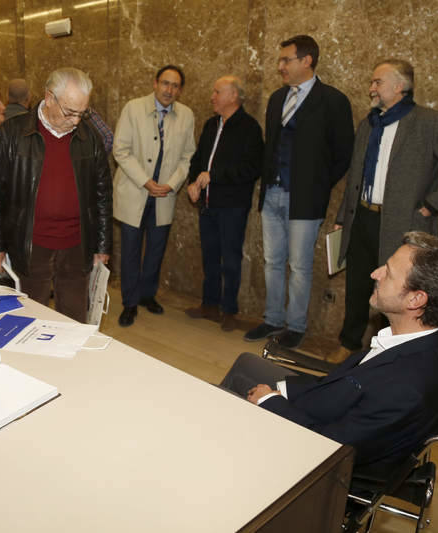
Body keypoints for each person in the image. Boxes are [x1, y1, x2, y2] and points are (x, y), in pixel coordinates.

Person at [221, 231, 438, 473]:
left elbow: (330, 448)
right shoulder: (421, 342)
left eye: (388, 273)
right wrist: (285, 392)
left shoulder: (407, 388)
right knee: (246, 363)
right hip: (335, 407)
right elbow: (347, 384)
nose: (375, 274)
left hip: (318, 458)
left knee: (222, 396)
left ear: (415, 300)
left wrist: (271, 402)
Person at [331, 59, 438, 362]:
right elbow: (356, 174)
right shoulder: (369, 124)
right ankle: (349, 344)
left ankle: (387, 355)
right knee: (357, 286)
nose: (371, 88)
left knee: (396, 292)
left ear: (399, 86)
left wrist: (433, 204)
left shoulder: (428, 122)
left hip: (402, 224)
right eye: (372, 82)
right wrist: (343, 217)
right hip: (362, 218)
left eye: (377, 82)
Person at [244, 35, 354, 348]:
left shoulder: (333, 101)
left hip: (305, 199)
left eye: (286, 60)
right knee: (272, 261)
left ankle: (295, 326)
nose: (280, 66)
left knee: (300, 266)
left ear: (307, 61)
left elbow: (343, 153)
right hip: (272, 194)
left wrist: (317, 183)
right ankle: (272, 319)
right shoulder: (278, 98)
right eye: (280, 60)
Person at [0, 67, 112, 323]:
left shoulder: (90, 137)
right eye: (70, 112)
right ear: (49, 97)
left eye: (82, 113)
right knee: (30, 318)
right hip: (30, 243)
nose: (76, 121)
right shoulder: (12, 133)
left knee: (74, 319)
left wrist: (102, 245)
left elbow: (103, 195)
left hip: (77, 244)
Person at [112, 64, 196, 327]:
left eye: (175, 86)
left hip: (164, 195)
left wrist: (171, 184)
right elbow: (121, 150)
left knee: (156, 250)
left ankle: (147, 295)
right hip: (135, 191)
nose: (169, 90)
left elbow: (188, 156)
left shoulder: (186, 115)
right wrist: (146, 181)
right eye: (165, 83)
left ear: (180, 90)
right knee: (130, 250)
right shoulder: (133, 108)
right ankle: (129, 303)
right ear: (155, 83)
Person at [185, 75, 263, 331]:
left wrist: (214, 176)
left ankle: (229, 310)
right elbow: (198, 159)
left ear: (233, 96)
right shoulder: (211, 124)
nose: (213, 97)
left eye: (218, 92)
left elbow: (252, 168)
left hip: (232, 206)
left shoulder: (249, 128)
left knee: (230, 260)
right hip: (207, 204)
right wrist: (192, 182)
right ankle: (209, 304)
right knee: (209, 257)